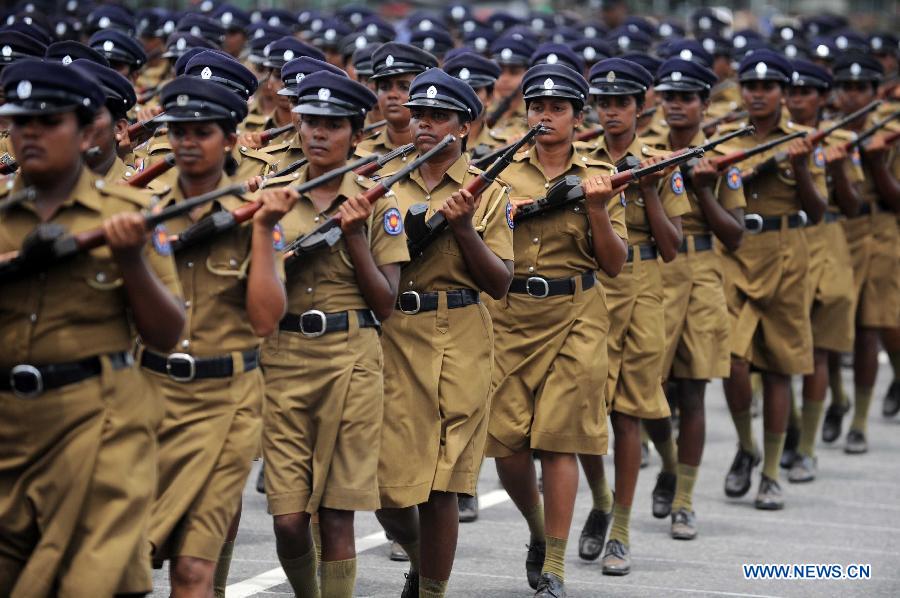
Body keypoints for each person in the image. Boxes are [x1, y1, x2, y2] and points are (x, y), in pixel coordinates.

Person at [0, 58, 185, 597]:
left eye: (48, 121)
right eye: (19, 122)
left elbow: (167, 333)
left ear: (88, 133)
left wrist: (131, 261)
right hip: (9, 431)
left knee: (87, 584)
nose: (29, 133)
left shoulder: (130, 214)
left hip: (98, 426)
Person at [256, 71, 408, 598]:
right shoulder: (274, 200)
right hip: (283, 357)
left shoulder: (375, 202)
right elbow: (253, 295)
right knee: (289, 519)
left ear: (355, 133)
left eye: (332, 125)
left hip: (352, 359)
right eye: (310, 122)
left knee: (338, 514)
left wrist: (354, 237)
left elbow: (386, 304)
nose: (318, 134)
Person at [140, 76, 294, 597]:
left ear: (231, 139)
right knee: (127, 564)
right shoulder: (143, 211)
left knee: (192, 569)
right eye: (178, 130)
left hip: (224, 406)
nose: (186, 141)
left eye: (201, 131)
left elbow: (265, 320)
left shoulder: (256, 216)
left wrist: (260, 233)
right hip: (147, 399)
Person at [486, 62, 628, 597]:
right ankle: (537, 531)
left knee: (559, 441)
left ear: (576, 116)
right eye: (537, 107)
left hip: (577, 315)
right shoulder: (498, 170)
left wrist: (596, 207)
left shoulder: (597, 173)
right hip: (511, 316)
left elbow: (613, 263)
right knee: (506, 445)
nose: (545, 116)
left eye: (558, 108)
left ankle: (557, 567)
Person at [374, 68, 514, 598]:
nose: (426, 125)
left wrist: (463, 228)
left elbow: (499, 282)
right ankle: (421, 559)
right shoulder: (383, 184)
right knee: (386, 485)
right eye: (420, 116)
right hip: (398, 334)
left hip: (462, 333)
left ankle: (432, 588)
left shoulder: (490, 193)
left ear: (465, 128)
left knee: (442, 486)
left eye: (440, 117)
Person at [576, 57, 690, 576]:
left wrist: (649, 186)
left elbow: (671, 247)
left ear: (641, 107)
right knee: (581, 410)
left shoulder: (660, 161)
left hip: (643, 288)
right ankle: (599, 501)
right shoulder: (579, 159)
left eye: (622, 103)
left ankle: (620, 528)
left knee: (628, 414)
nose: (612, 111)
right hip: (593, 289)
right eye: (603, 102)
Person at [717, 50, 826, 510]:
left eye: (768, 87)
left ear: (782, 92)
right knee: (733, 361)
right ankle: (746, 445)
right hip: (737, 254)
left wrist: (800, 166)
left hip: (787, 252)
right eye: (751, 86)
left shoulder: (804, 139)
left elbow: (819, 209)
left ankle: (771, 470)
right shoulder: (724, 140)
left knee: (780, 367)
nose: (758, 95)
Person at [642, 58, 745, 539]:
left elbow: (736, 234)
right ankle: (667, 462)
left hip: (704, 270)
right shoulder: (644, 152)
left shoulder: (722, 157)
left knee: (695, 388)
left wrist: (705, 190)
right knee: (652, 390)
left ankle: (684, 498)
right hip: (657, 273)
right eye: (669, 97)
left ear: (706, 104)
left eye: (686, 98)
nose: (676, 106)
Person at [782, 59, 861, 481]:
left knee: (817, 352)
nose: (797, 100)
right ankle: (792, 429)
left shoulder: (844, 140)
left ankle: (807, 447)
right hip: (782, 244)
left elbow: (852, 206)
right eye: (791, 92)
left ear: (823, 98)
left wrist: (837, 166)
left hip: (827, 240)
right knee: (779, 355)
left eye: (806, 93)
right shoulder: (766, 140)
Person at [823, 53, 900, 453]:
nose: (852, 97)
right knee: (835, 327)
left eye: (861, 89)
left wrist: (878, 163)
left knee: (872, 328)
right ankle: (837, 396)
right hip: (838, 231)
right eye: (846, 89)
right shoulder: (824, 133)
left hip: (883, 230)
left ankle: (860, 421)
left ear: (875, 93)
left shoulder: (891, 132)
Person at [356, 43, 437, 158]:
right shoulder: (360, 154)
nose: (392, 95)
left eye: (404, 87)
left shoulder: (439, 154)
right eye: (385, 87)